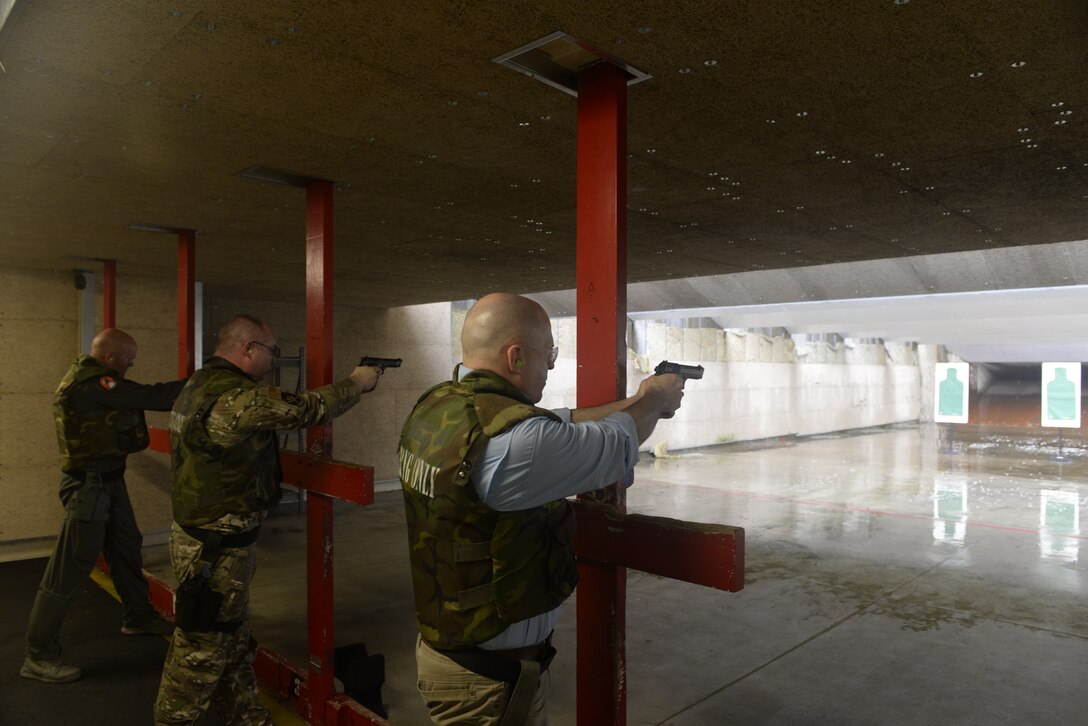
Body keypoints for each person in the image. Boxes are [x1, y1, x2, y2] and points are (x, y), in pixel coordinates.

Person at [399, 292, 685, 725]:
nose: (550, 365)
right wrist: (653, 402)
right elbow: (614, 444)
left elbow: (558, 421)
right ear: (516, 356)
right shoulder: (518, 445)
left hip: (457, 651)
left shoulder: (439, 405)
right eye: (548, 354)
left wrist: (637, 398)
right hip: (488, 684)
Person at [153, 314, 382, 726]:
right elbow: (306, 408)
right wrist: (357, 382)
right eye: (271, 351)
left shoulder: (198, 385)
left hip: (212, 541)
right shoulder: (236, 398)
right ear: (248, 348)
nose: (273, 360)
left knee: (234, 640)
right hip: (215, 549)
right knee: (200, 651)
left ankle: (248, 717)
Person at [22, 328, 185, 684]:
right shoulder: (93, 384)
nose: (130, 365)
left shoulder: (96, 379)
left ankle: (138, 615)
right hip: (89, 488)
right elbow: (148, 396)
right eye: (128, 359)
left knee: (126, 547)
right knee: (68, 570)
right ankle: (39, 655)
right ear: (109, 358)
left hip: (108, 481)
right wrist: (202, 384)